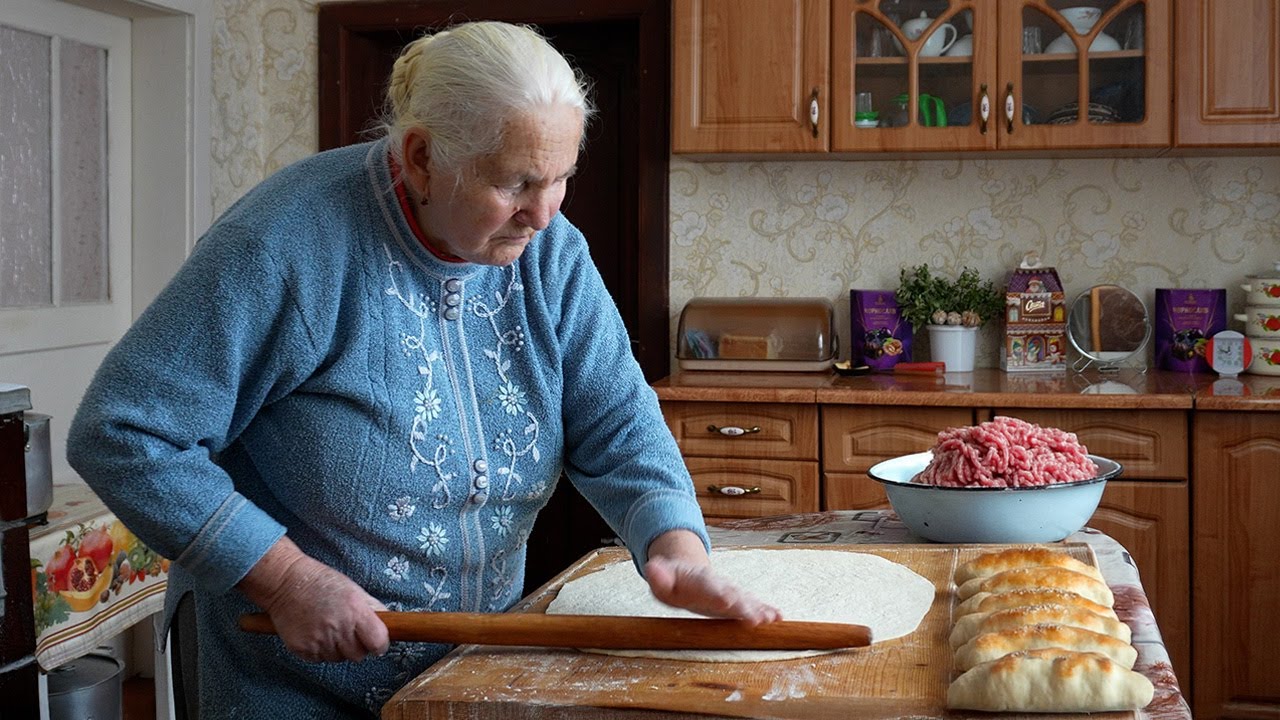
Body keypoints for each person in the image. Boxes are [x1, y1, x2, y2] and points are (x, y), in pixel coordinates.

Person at [67, 20, 779, 719]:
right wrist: (285, 580)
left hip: (466, 671)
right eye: (518, 182)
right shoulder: (282, 246)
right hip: (286, 680)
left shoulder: (552, 253)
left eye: (562, 177)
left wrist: (675, 547)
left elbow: (617, 421)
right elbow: (123, 432)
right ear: (419, 157)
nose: (544, 212)